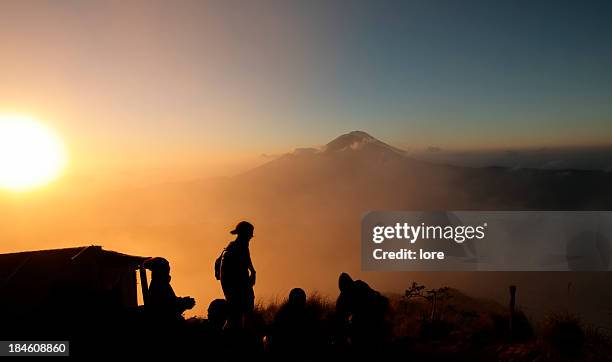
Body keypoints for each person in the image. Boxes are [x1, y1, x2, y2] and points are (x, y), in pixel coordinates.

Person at [335, 273, 389, 354]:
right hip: (361, 321)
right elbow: (340, 318)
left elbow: (375, 298)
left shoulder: (359, 286)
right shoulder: (342, 299)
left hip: (372, 315)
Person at [219, 221, 257, 330]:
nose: (251, 237)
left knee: (239, 316)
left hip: (239, 288)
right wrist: (245, 286)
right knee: (235, 317)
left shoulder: (239, 247)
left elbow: (247, 259)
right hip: (236, 289)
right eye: (249, 234)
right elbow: (230, 273)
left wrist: (252, 271)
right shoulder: (234, 249)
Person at [144, 257, 195, 325]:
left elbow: (171, 302)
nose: (168, 270)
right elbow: (166, 308)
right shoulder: (159, 285)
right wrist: (183, 303)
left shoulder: (162, 284)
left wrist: (182, 301)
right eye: (166, 268)